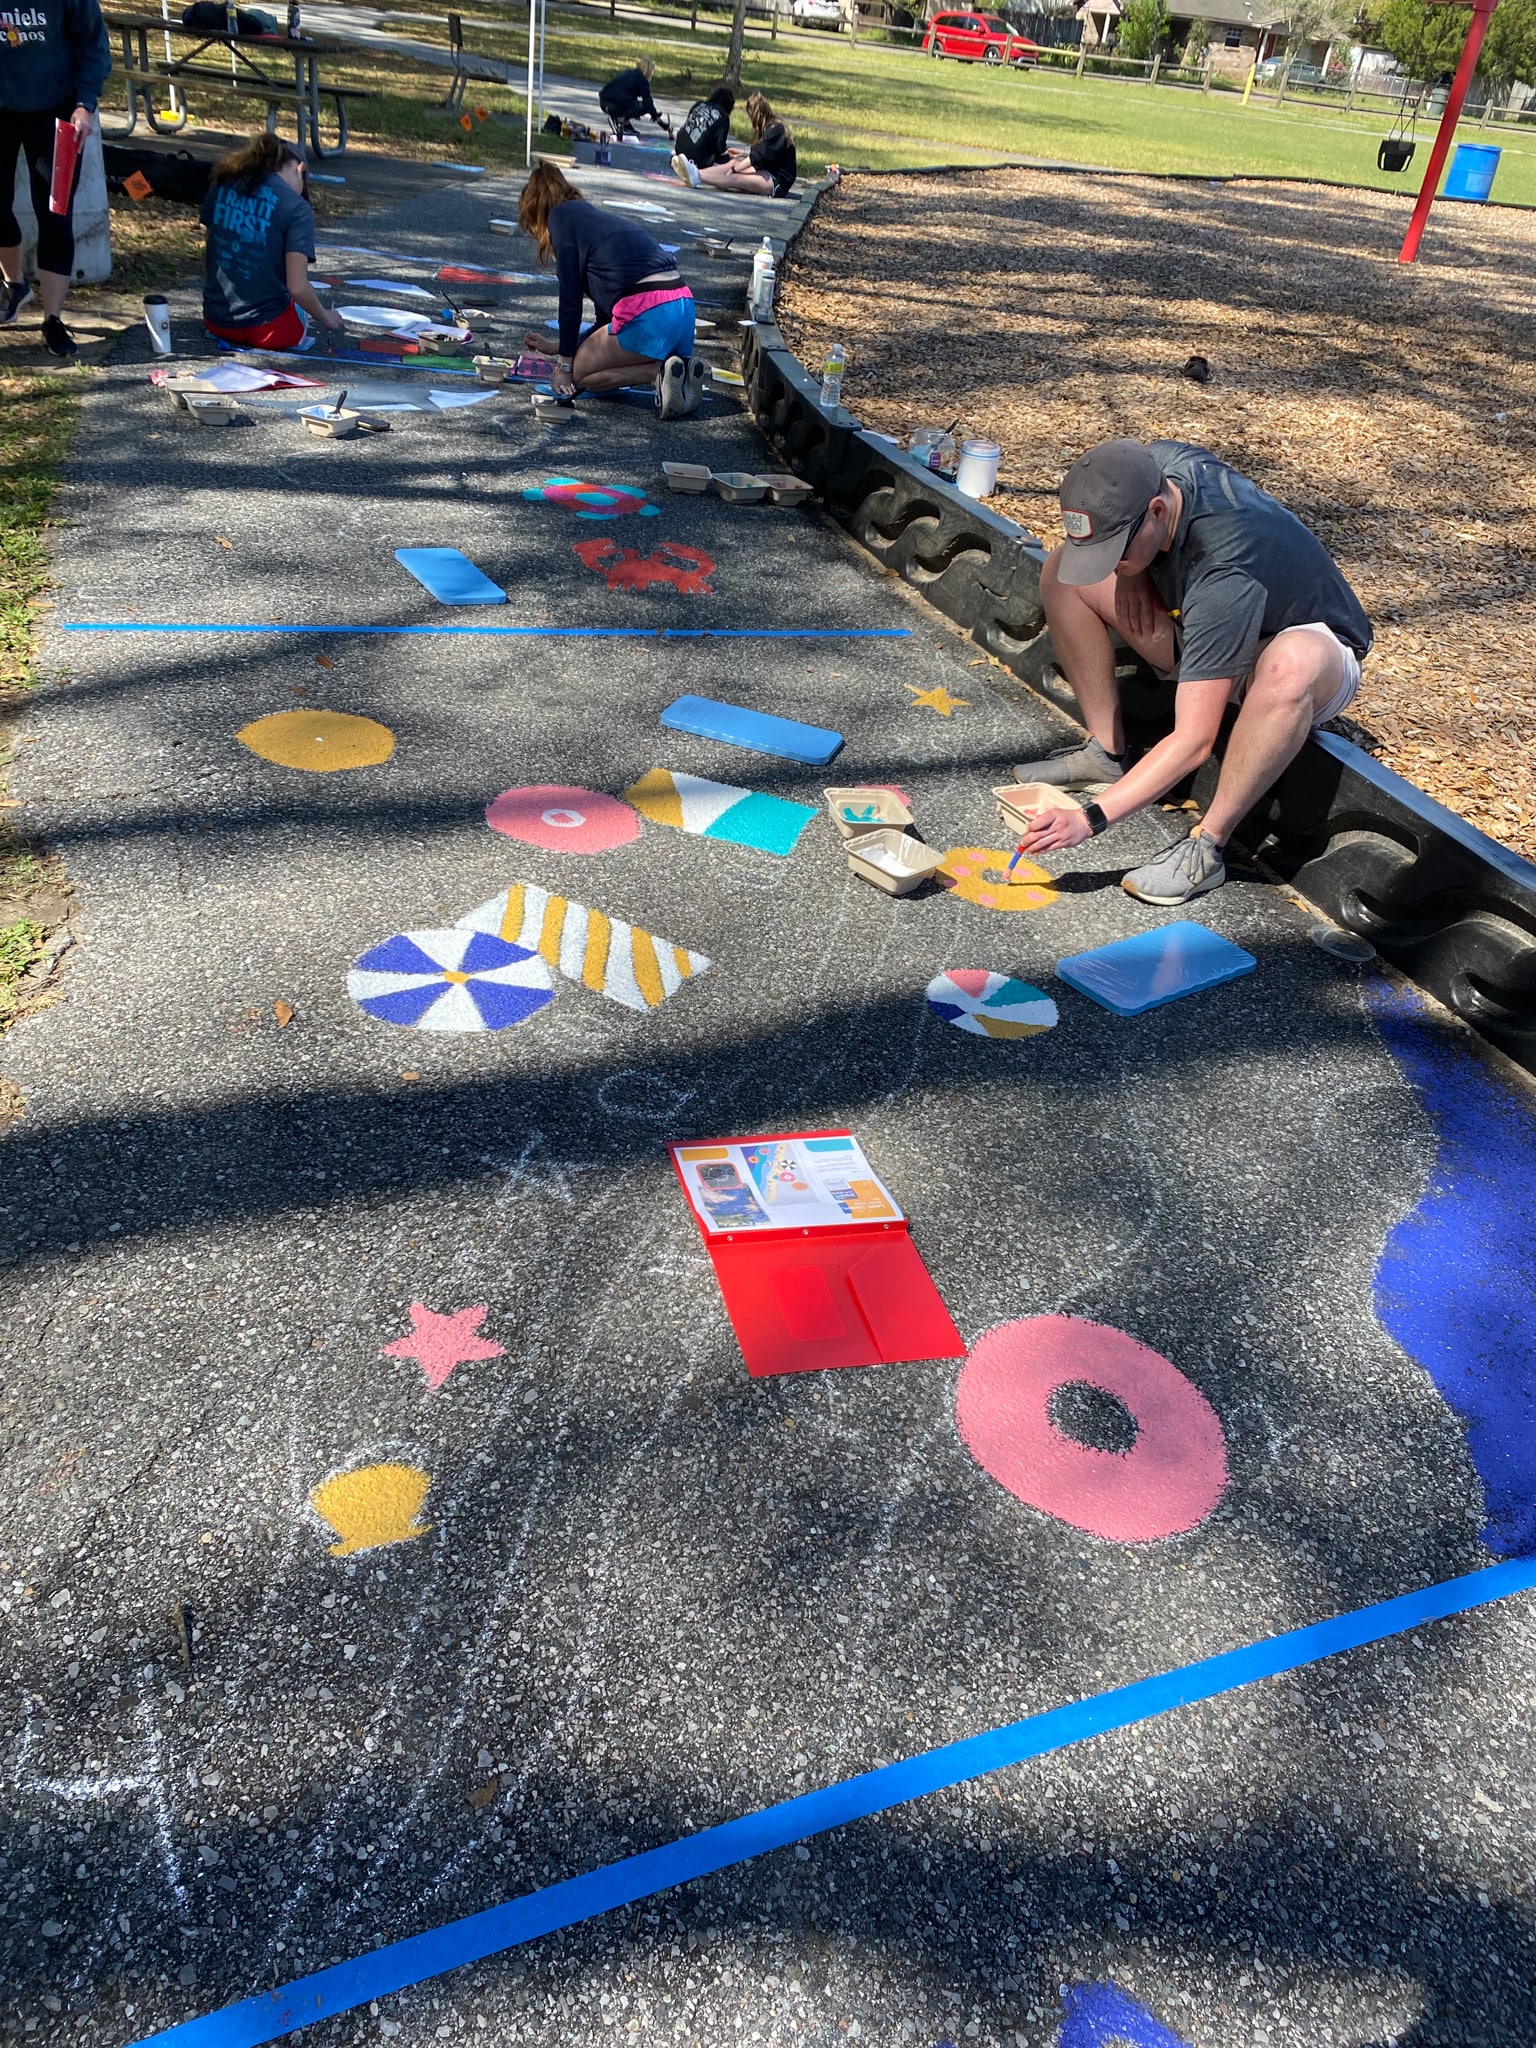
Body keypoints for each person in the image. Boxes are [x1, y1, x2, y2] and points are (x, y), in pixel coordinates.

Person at [1011, 438, 1373, 906]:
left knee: (1291, 666)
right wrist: (1131, 573)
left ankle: (1207, 847)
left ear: (1158, 511)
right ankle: (1106, 751)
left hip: (1310, 657)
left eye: (1117, 551)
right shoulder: (1154, 467)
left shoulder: (1226, 566)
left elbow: (1194, 741)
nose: (1112, 563)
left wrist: (1090, 819)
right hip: (1210, 625)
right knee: (1064, 572)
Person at [516, 160, 702, 418]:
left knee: (581, 374)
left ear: (537, 211)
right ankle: (677, 367)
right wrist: (559, 346)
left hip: (650, 314)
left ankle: (657, 371)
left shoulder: (560, 218)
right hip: (681, 308)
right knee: (586, 357)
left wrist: (564, 365)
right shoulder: (592, 222)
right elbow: (605, 327)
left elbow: (570, 301)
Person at [0, 0, 112, 358]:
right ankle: (14, 285)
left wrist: (85, 103)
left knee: (55, 214)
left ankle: (52, 320)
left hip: (56, 109)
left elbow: (93, 43)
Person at [200, 132, 344, 352]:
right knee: (302, 303)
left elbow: (213, 249)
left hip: (216, 321)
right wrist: (325, 316)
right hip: (270, 331)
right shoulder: (296, 206)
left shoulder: (223, 182)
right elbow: (296, 286)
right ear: (300, 169)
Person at [675, 89, 796, 197]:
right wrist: (741, 157)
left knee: (736, 177)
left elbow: (757, 157)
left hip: (778, 181)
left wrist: (735, 169)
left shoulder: (777, 129)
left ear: (759, 115)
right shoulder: (770, 128)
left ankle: (698, 176)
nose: (752, 123)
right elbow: (762, 155)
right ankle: (694, 172)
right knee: (733, 163)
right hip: (767, 171)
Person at [597, 58, 670, 141]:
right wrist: (659, 121)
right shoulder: (642, 80)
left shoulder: (628, 73)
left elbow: (627, 94)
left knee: (626, 101)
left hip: (603, 102)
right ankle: (622, 123)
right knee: (644, 106)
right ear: (650, 71)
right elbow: (648, 102)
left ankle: (624, 124)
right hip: (616, 105)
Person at [670, 84, 733, 173]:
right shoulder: (723, 117)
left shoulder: (699, 104)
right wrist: (726, 151)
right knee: (729, 160)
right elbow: (720, 146)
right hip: (698, 158)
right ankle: (694, 164)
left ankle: (680, 158)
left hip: (679, 147)